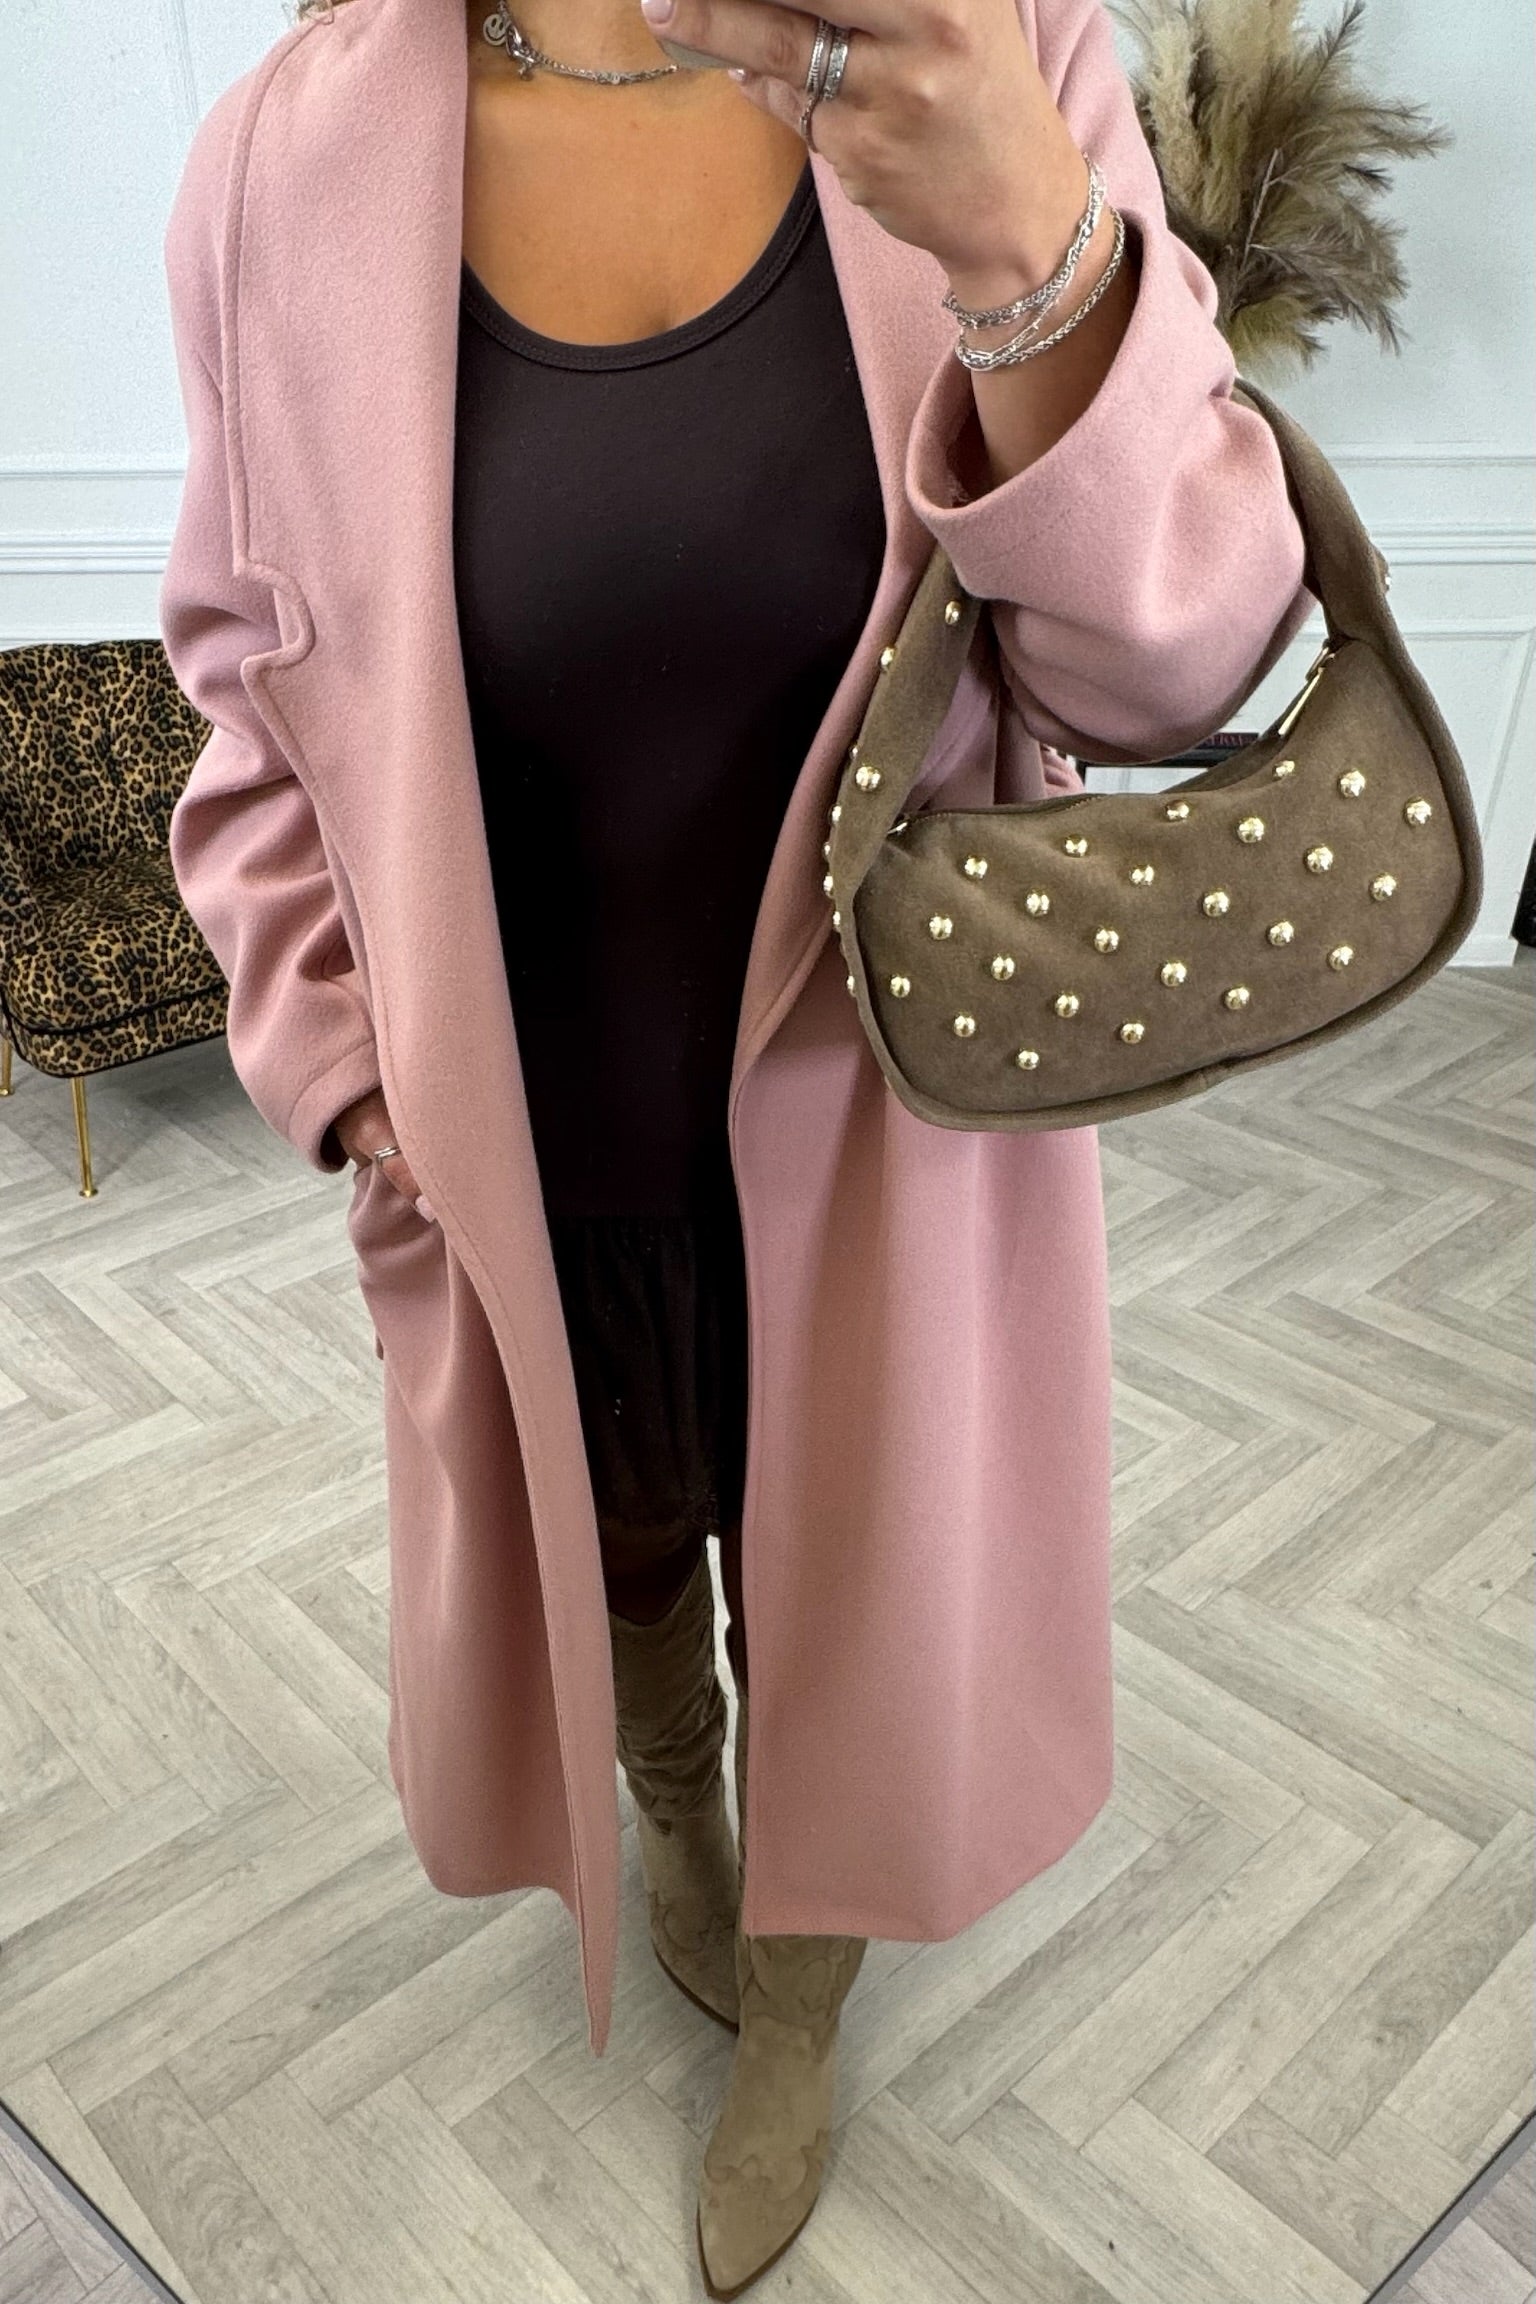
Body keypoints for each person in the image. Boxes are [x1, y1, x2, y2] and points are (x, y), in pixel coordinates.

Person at [158, 0, 1313, 2293]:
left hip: (889, 1146)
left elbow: (1182, 666)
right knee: (613, 1562)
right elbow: (246, 687)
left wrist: (1034, 253)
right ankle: (676, 1808)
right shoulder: (291, 156)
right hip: (510, 1149)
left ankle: (801, 1998)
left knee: (855, 1610)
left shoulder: (996, 51)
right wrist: (344, 1068)